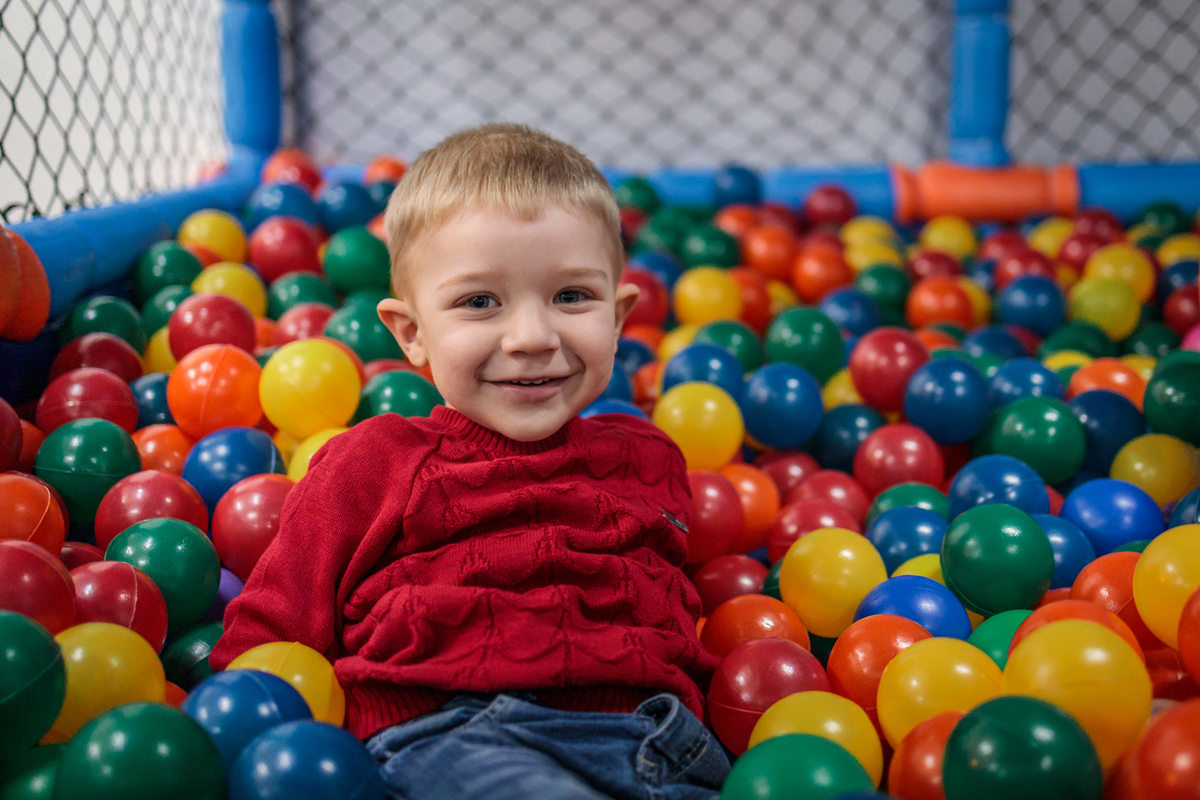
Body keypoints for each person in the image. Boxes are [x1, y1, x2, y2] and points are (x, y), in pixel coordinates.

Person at [210, 123, 729, 799]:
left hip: (665, 740)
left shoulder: (650, 460)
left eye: (572, 296)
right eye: (480, 302)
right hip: (459, 736)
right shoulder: (371, 464)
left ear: (620, 315)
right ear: (413, 334)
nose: (532, 337)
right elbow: (270, 634)